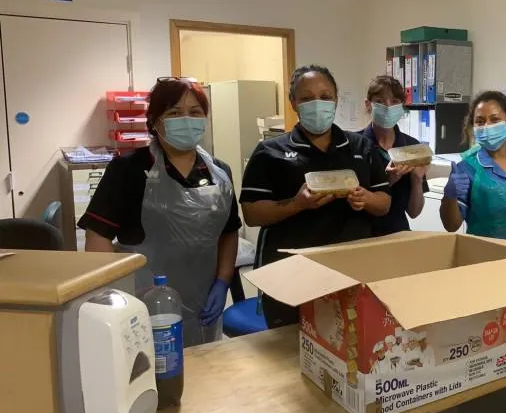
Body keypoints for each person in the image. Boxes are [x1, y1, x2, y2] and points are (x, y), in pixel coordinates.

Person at [79, 77, 241, 347]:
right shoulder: (128, 170)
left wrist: (222, 281)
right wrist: (114, 296)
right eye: (175, 113)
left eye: (195, 113)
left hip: (202, 302)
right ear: (154, 121)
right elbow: (98, 236)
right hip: (141, 303)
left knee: (205, 372)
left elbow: (229, 231)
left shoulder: (219, 173)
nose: (187, 120)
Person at [240, 65, 391, 329]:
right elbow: (252, 214)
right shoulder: (269, 151)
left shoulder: (361, 147)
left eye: (325, 96)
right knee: (287, 354)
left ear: (335, 100)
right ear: (293, 103)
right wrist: (297, 204)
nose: (317, 104)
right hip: (289, 274)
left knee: (348, 347)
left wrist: (366, 198)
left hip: (350, 273)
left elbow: (384, 202)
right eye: (307, 98)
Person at [439, 90, 506, 334]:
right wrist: (449, 195)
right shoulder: (467, 166)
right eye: (480, 121)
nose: (487, 126)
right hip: (483, 267)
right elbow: (451, 225)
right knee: (488, 338)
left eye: (494, 119)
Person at [358, 75, 428, 236]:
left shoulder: (412, 146)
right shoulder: (355, 145)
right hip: (363, 235)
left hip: (398, 233)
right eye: (380, 101)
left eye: (395, 101)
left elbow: (414, 213)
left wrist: (417, 180)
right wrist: (386, 181)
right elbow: (352, 202)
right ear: (368, 105)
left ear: (402, 107)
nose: (388, 107)